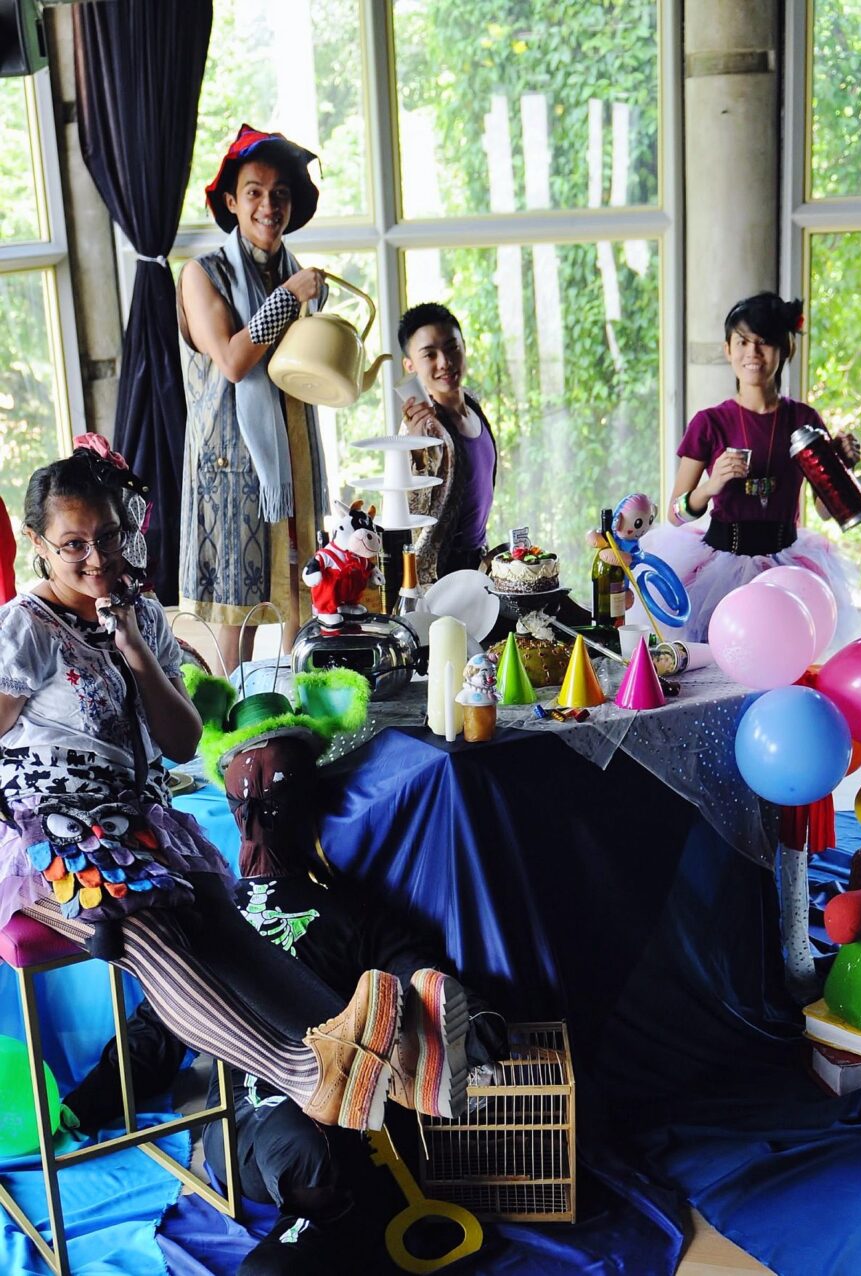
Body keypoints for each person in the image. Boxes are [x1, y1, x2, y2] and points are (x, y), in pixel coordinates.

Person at [0, 442, 471, 1138]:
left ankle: (397, 1068)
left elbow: (182, 742)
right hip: (49, 834)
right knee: (158, 938)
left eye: (109, 536)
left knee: (226, 925)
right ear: (39, 545)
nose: (97, 558)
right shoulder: (25, 628)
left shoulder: (140, 614)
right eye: (74, 545)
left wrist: (133, 648)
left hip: (137, 823)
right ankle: (308, 1075)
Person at [64, 728, 506, 1276]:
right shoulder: (210, 913)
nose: (256, 819)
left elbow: (409, 965)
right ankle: (319, 1215)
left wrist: (469, 1015)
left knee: (329, 1124)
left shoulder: (341, 910)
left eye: (269, 803)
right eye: (246, 805)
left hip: (343, 1097)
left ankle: (323, 1215)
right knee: (305, 1138)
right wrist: (85, 1103)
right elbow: (158, 1025)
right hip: (250, 1112)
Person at [178, 123, 329, 675]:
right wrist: (289, 297)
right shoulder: (203, 274)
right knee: (236, 608)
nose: (269, 205)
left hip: (292, 457)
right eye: (255, 192)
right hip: (228, 464)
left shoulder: (295, 273)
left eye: (280, 193)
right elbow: (233, 361)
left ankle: (295, 701)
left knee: (301, 587)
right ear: (231, 202)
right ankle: (230, 718)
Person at [638, 292, 861, 642]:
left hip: (787, 566)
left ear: (786, 349)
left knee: (784, 655)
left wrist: (842, 468)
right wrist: (711, 486)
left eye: (764, 342)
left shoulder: (804, 419)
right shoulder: (709, 422)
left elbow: (824, 510)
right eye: (742, 342)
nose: (752, 353)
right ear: (728, 350)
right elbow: (675, 514)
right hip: (720, 568)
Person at [398, 303, 497, 585]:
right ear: (410, 366)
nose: (444, 362)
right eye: (429, 354)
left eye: (452, 347)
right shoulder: (419, 427)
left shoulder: (473, 404)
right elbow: (409, 511)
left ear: (464, 347)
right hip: (439, 578)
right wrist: (415, 449)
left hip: (478, 566)